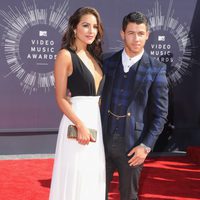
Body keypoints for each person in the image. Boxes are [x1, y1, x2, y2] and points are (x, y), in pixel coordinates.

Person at [101, 11, 169, 200]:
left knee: (129, 196)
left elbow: (161, 114)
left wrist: (145, 146)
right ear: (123, 34)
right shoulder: (107, 62)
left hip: (133, 146)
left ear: (147, 35)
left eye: (140, 33)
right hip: (102, 142)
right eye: (131, 33)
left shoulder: (156, 69)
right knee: (95, 193)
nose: (136, 38)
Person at [49, 7, 106, 200]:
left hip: (95, 120)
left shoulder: (94, 57)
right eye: (86, 25)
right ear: (74, 28)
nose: (91, 31)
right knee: (77, 174)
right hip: (77, 120)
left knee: (92, 176)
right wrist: (80, 125)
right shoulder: (65, 55)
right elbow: (60, 98)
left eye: (95, 27)